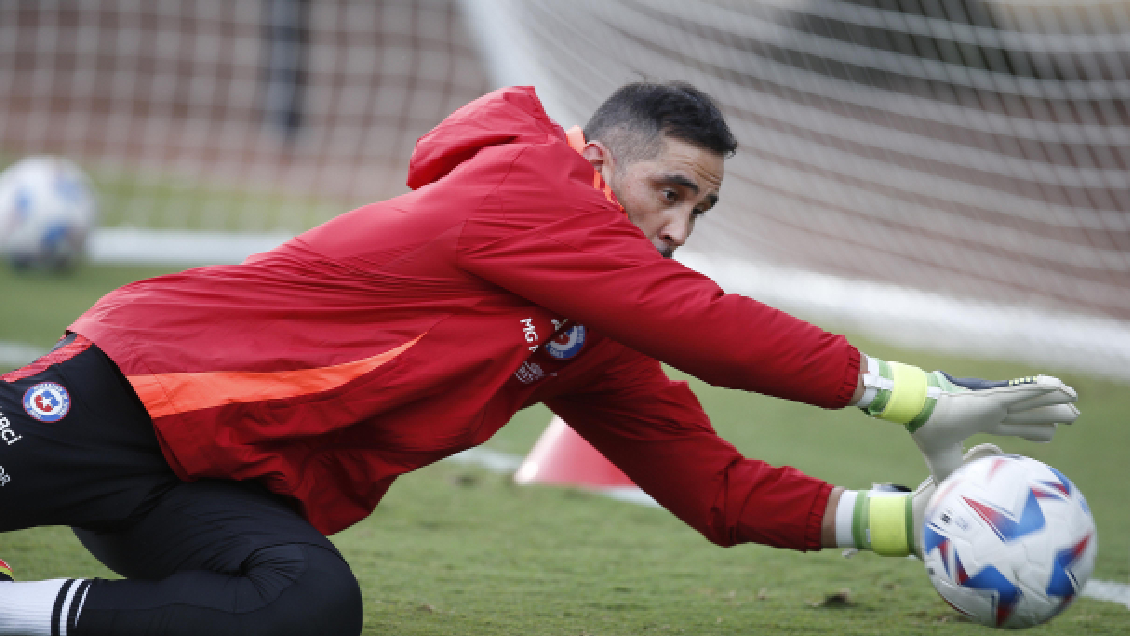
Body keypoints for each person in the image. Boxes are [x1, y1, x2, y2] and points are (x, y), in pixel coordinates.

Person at [0, 82, 1078, 636]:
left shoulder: (590, 331)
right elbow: (697, 320)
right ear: (595, 160)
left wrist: (913, 522)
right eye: (671, 193)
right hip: (139, 391)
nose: (681, 228)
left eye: (701, 208)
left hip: (211, 483)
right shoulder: (520, 187)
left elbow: (705, 483)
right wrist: (912, 394)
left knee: (310, 607)